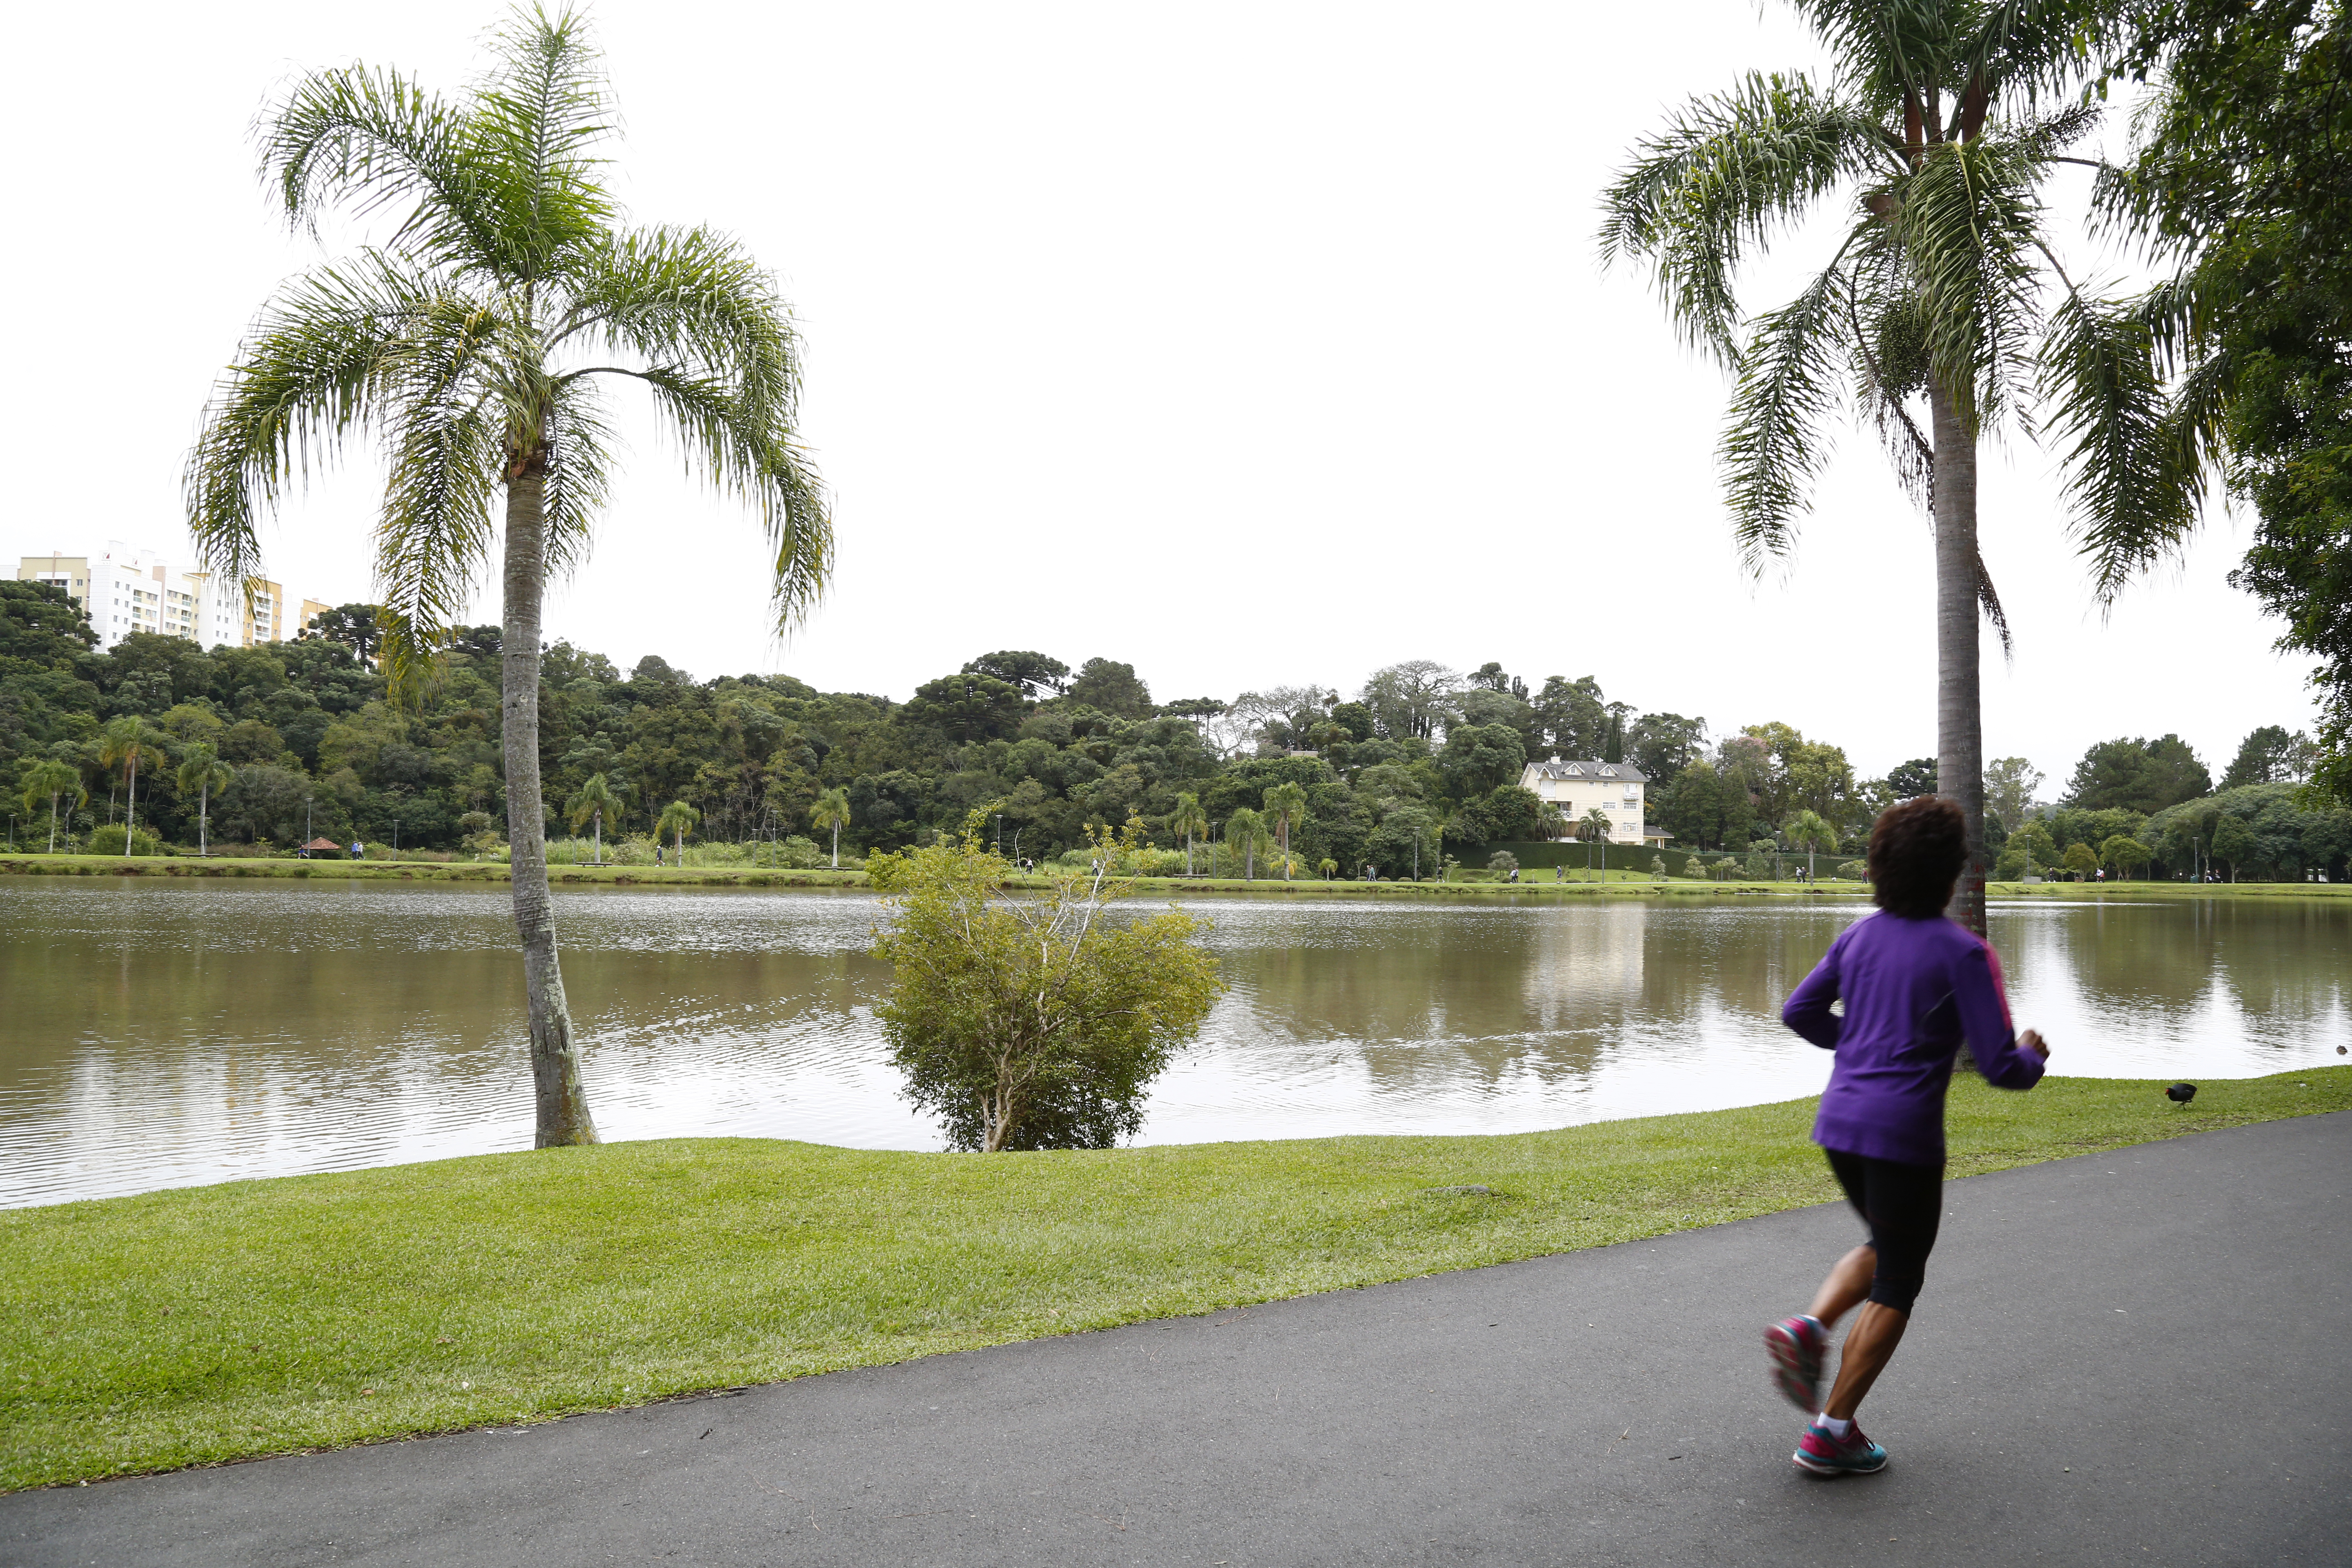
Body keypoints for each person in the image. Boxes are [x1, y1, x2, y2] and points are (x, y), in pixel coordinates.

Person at [1763, 795, 2049, 1477]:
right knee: (1899, 1279)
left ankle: (1809, 1328)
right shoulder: (1966, 953)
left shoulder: (1857, 939)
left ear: (1879, 867)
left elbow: (1799, 1011)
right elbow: (2001, 1068)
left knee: (1885, 1243)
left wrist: (1859, 1042)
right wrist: (2034, 1054)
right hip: (1903, 1136)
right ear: (1952, 873)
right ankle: (1831, 1433)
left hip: (1840, 1125)